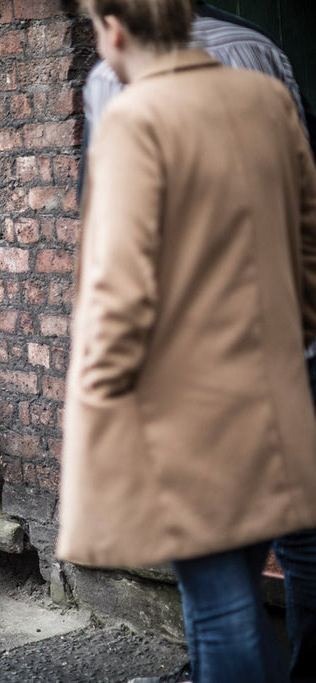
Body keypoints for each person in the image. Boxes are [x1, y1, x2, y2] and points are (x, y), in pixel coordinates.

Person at [61, 0, 316, 681]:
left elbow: (118, 281)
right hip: (275, 383)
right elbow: (307, 239)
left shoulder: (133, 116)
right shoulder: (264, 95)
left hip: (184, 406)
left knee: (217, 604)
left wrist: (104, 401)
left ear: (113, 29)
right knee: (235, 585)